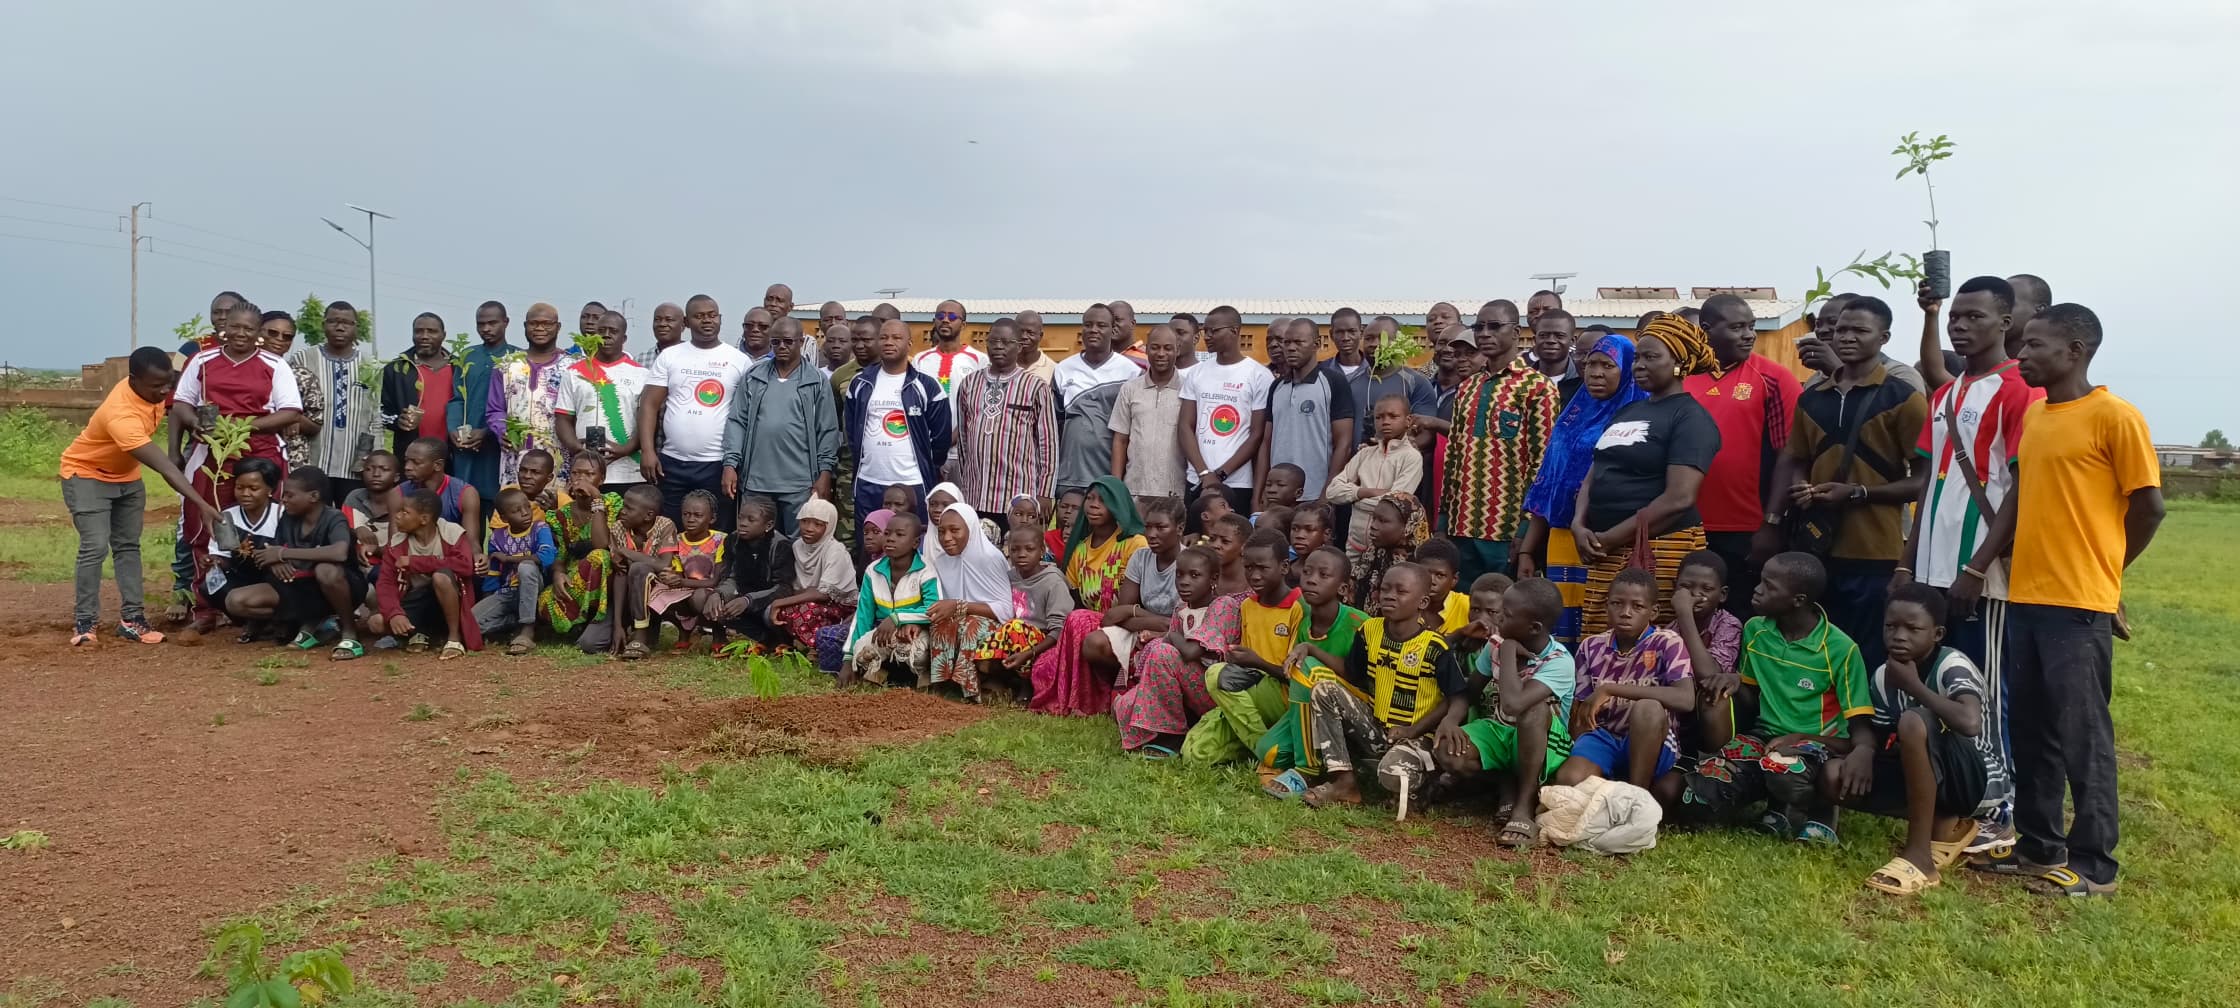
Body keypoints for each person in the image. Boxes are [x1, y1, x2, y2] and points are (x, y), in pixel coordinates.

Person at [1969, 303, 2161, 898]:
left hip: (2078, 604)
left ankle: (2095, 864)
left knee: (2084, 735)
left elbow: (2149, 507)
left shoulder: (2114, 416)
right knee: (2032, 730)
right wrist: (1979, 567)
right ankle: (2037, 845)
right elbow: (2019, 499)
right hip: (2025, 595)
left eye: (2035, 345)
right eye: (2022, 344)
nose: (2022, 354)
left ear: (2075, 351)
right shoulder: (2042, 417)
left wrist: (2108, 573)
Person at [1894, 276, 2038, 849]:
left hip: (1984, 570)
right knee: (1943, 681)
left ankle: (2000, 810)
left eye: (1974, 316)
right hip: (1932, 565)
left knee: (1986, 687)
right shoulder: (1948, 394)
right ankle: (1956, 792)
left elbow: (2022, 487)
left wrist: (1977, 568)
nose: (1960, 324)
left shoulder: (2019, 389)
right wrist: (1907, 561)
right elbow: (1929, 483)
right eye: (1956, 315)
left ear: (2006, 322)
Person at [1767, 296, 1926, 673]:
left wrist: (1859, 493)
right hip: (1816, 547)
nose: (1847, 337)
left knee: (1867, 651)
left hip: (1876, 549)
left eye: (1860, 330)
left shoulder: (1903, 397)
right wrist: (1801, 487)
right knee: (1820, 648)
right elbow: (1797, 458)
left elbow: (1924, 481)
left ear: (1884, 337)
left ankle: (1867, 728)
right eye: (1841, 330)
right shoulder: (1811, 397)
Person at [1677, 552, 1873, 844]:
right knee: (1698, 795)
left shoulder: (1840, 649)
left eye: (1769, 586)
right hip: (1764, 737)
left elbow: (1859, 727)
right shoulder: (1757, 630)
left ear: (1798, 599)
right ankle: (1774, 806)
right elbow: (1751, 696)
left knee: (1784, 770)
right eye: (1760, 581)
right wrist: (1733, 681)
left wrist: (1854, 749)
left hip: (1817, 744)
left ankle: (1819, 812)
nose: (1757, 589)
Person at [1570, 315, 1720, 637]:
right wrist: (1579, 524)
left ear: (1679, 362)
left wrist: (1610, 538)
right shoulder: (1629, 411)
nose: (1639, 365)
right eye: (1637, 357)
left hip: (1657, 549)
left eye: (1651, 357)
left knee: (1648, 645)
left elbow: (1679, 498)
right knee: (1602, 641)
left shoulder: (1690, 417)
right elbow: (1594, 474)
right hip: (1603, 546)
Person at [60, 346, 221, 644]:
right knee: (95, 546)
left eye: (167, 384)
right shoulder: (121, 415)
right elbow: (167, 470)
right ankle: (85, 623)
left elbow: (179, 405)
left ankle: (132, 620)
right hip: (86, 475)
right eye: (156, 386)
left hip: (127, 478)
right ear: (133, 380)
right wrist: (202, 504)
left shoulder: (154, 386)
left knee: (128, 547)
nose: (163, 392)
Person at [1845, 584, 1995, 895]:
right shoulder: (1884, 676)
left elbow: (1969, 723)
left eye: (1912, 629)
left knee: (1914, 720)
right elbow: (1886, 739)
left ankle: (1919, 857)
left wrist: (1915, 688)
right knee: (1836, 776)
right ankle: (1944, 824)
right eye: (1891, 627)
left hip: (1975, 782)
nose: (1899, 636)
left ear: (1937, 634)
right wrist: (1860, 750)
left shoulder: (1952, 665)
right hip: (1929, 773)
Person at [1675, 295, 1805, 618]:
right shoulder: (1679, 377)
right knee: (1682, 614)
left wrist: (1772, 523)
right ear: (1705, 330)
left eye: (1751, 326)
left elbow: (1789, 455)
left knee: (1740, 615)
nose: (1749, 335)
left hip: (1746, 529)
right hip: (1681, 525)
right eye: (1737, 327)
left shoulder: (1774, 378)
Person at [1420, 576, 1574, 845]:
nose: (1498, 618)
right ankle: (1505, 784)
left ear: (1534, 627)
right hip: (1501, 732)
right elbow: (1471, 690)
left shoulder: (1558, 662)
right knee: (1448, 749)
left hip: (1545, 744)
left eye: (1507, 614)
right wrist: (1451, 720)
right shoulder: (1495, 644)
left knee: (1534, 710)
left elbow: (1514, 704)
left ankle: (1523, 807)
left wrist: (1507, 651)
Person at [1517, 332, 1646, 646]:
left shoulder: (1636, 415)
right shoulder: (1573, 414)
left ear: (1627, 369)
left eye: (1607, 365)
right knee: (1561, 620)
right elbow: (1549, 483)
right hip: (1561, 538)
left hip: (1605, 539)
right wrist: (1527, 549)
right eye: (1591, 364)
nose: (1596, 373)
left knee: (1602, 617)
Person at [170, 301, 305, 601]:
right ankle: (205, 604)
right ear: (223, 327)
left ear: (258, 332)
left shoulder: (273, 364)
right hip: (213, 454)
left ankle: (267, 597)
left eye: (248, 328)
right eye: (234, 326)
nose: (240, 333)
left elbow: (291, 411)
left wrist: (244, 428)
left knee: (269, 523)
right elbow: (181, 403)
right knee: (204, 524)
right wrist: (197, 423)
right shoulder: (203, 360)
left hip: (260, 452)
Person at [1300, 563, 1456, 808]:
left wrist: (1412, 730)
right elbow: (1352, 673)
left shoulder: (1436, 647)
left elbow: (1455, 698)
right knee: (1324, 690)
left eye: (1400, 591)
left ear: (1422, 603)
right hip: (1376, 727)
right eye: (1385, 589)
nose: (1390, 596)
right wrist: (1311, 649)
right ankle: (1344, 782)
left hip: (1416, 736)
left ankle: (1425, 784)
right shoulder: (1369, 630)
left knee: (1391, 774)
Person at [1440, 300, 1561, 586]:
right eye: (1479, 326)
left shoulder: (1538, 387)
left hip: (1505, 530)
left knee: (1503, 612)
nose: (1484, 333)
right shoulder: (1468, 387)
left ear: (1516, 333)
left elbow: (1542, 465)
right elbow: (1454, 455)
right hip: (1461, 525)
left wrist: (1525, 530)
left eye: (1494, 326)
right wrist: (1444, 521)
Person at [1553, 569, 1696, 806]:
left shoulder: (1667, 642)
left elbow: (1685, 698)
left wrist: (1611, 689)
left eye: (1637, 606)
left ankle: (1636, 799)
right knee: (1569, 780)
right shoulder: (1592, 647)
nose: (1625, 613)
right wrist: (1577, 749)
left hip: (1652, 740)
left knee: (1648, 708)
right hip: (1604, 736)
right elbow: (1582, 708)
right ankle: (1609, 788)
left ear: (1653, 611)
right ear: (1607, 606)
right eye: (1617, 604)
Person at [1177, 530, 1306, 765]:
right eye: (1248, 567)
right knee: (1194, 754)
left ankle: (1262, 747)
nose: (1254, 575)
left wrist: (1257, 662)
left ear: (1284, 567)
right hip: (1246, 697)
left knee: (1216, 676)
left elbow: (1297, 677)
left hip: (1283, 694)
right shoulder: (1247, 605)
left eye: (1262, 568)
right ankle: (1262, 746)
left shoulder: (1298, 607)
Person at [1029, 476, 1147, 716]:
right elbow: (1075, 599)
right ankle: (1091, 693)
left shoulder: (1134, 543)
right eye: (1090, 498)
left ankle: (1085, 702)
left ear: (1118, 506)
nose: (1093, 505)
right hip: (1089, 624)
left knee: (1081, 621)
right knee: (1044, 665)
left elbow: (1139, 600)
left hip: (1128, 625)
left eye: (1103, 500)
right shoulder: (1081, 548)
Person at [222, 466, 367, 658]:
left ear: (313, 496)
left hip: (342, 586)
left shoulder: (334, 517)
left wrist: (284, 554)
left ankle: (349, 631)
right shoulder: (288, 518)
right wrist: (275, 561)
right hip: (299, 586)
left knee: (327, 570)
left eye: (290, 495)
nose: (283, 500)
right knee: (236, 601)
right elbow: (270, 550)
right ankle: (313, 623)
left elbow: (339, 553)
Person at [640, 295, 753, 533]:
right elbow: (649, 405)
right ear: (686, 322)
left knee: (717, 530)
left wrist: (734, 464)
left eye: (712, 315)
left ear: (720, 319)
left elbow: (747, 416)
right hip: (671, 462)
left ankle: (714, 571)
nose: (707, 321)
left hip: (718, 464)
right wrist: (648, 452)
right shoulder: (670, 356)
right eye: (699, 316)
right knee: (670, 528)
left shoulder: (739, 361)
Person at [722, 317, 840, 536]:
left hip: (800, 483)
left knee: (799, 544)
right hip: (756, 481)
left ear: (801, 342)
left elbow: (828, 430)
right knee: (755, 540)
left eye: (788, 341)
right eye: (776, 342)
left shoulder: (816, 380)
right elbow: (737, 421)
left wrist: (824, 473)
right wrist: (730, 464)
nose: (782, 347)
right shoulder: (753, 376)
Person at [1111, 538, 1225, 755]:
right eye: (1179, 574)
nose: (1184, 582)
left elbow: (1191, 651)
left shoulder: (1222, 606)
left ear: (1214, 579)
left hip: (1211, 692)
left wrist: (1171, 636)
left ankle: (1171, 736)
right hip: (1180, 688)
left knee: (1161, 650)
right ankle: (1178, 719)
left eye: (1194, 576)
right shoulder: (1181, 608)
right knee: (1124, 707)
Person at [846, 318, 953, 548]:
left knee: (912, 545)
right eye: (883, 337)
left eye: (896, 338)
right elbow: (853, 433)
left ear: (909, 344)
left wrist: (929, 465)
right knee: (871, 546)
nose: (889, 342)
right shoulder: (860, 383)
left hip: (911, 482)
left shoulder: (927, 385)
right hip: (869, 481)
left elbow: (941, 436)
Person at [948, 318, 1058, 518]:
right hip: (976, 494)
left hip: (1018, 497)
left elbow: (1048, 444)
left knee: (1016, 548)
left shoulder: (1036, 386)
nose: (998, 347)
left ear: (1019, 346)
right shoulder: (969, 384)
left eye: (1006, 343)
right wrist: (966, 483)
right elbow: (964, 440)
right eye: (993, 341)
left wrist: (1045, 493)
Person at [1179, 305, 1275, 518]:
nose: (1208, 336)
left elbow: (1257, 434)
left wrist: (1220, 475)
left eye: (1214, 331)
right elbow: (1185, 426)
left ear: (1234, 330)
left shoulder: (1259, 375)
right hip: (1197, 481)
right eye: (1206, 331)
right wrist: (1204, 473)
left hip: (1237, 482)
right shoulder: (1196, 373)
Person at [920, 502, 1019, 701]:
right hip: (958, 619)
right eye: (942, 531)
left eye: (955, 530)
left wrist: (961, 606)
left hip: (993, 624)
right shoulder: (941, 561)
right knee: (942, 623)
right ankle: (941, 684)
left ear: (971, 529)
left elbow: (1007, 610)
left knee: (972, 625)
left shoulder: (990, 558)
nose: (947, 538)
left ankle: (969, 689)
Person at [373, 487, 481, 659]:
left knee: (441, 577)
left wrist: (415, 562)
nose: (397, 516)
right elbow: (386, 583)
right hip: (418, 599)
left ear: (424, 519)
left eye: (405, 512)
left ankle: (454, 638)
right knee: (377, 623)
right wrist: (395, 613)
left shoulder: (451, 532)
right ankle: (420, 633)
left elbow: (466, 566)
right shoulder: (397, 542)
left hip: (450, 599)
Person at [293, 299, 381, 502]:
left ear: (356, 328)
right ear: (324, 325)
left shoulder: (369, 364)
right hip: (312, 458)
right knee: (313, 517)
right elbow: (291, 407)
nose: (340, 327)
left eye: (347, 323)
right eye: (333, 321)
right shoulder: (304, 359)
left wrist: (376, 456)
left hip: (354, 462)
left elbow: (376, 414)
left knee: (350, 519)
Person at [1261, 318, 1355, 504]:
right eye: (1287, 343)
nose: (1291, 348)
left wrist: (1326, 496)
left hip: (1315, 494)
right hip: (1277, 496)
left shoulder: (1333, 382)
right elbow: (1266, 442)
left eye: (1298, 342)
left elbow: (1343, 444)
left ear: (1316, 345)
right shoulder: (1277, 386)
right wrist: (1260, 494)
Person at [555, 309, 648, 493]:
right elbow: (563, 418)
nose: (606, 335)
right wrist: (579, 451)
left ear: (624, 338)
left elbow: (646, 421)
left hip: (627, 471)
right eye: (602, 330)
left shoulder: (642, 374)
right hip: (585, 472)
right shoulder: (574, 372)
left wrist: (626, 448)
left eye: (613, 331)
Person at [844, 511, 939, 688]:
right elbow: (863, 616)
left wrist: (898, 617)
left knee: (915, 652)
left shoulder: (925, 571)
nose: (890, 539)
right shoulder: (873, 571)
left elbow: (934, 609)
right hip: (883, 632)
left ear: (915, 542)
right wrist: (848, 660)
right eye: (887, 533)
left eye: (899, 535)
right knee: (862, 651)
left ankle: (919, 675)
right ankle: (883, 672)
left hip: (915, 632)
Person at [1054, 304, 1141, 498]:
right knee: (1068, 528)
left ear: (1112, 329)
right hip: (1070, 477)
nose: (1094, 330)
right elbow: (1055, 425)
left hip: (1109, 476)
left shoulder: (1130, 371)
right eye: (1088, 325)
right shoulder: (1063, 369)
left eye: (1101, 325)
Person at [1325, 395, 1423, 564]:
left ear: (1408, 421)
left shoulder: (1411, 457)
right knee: (1350, 586)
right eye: (1379, 417)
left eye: (1393, 416)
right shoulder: (1365, 454)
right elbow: (1332, 492)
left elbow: (1395, 505)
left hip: (1387, 547)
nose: (1385, 421)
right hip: (1354, 544)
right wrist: (1363, 491)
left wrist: (1355, 500)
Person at [768, 498, 859, 668]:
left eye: (817, 524)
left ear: (829, 526)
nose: (809, 529)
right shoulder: (797, 546)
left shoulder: (835, 550)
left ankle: (819, 646)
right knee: (783, 611)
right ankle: (796, 643)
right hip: (806, 598)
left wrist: (778, 602)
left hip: (841, 606)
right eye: (804, 522)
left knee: (806, 609)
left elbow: (823, 593)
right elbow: (795, 585)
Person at [204, 458, 288, 643]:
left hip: (276, 580)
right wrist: (214, 560)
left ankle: (289, 619)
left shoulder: (282, 514)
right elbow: (221, 554)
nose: (245, 494)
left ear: (270, 490)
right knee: (210, 586)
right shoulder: (227, 516)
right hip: (244, 578)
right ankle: (259, 620)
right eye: (239, 488)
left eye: (253, 488)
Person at [1669, 550, 1745, 754]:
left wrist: (1684, 615)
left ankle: (1718, 765)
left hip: (1713, 715)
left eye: (1707, 589)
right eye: (1686, 587)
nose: (1695, 595)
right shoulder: (1668, 632)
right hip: (1681, 717)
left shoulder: (1728, 624)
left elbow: (1708, 675)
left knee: (1713, 695)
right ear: (1674, 589)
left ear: (1722, 595)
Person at [1108, 322, 1188, 512]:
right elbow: (1120, 440)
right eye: (1155, 347)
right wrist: (1116, 487)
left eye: (1168, 348)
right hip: (1134, 490)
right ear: (1146, 349)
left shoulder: (1188, 390)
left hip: (1175, 491)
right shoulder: (1130, 389)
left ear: (1177, 350)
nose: (1161, 354)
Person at [449, 301, 519, 516]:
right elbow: (457, 398)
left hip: (500, 446)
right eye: (481, 324)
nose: (486, 329)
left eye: (492, 323)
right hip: (468, 445)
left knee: (502, 510)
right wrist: (454, 429)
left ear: (505, 323)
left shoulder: (517, 358)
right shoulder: (466, 357)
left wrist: (489, 431)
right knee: (467, 505)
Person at [541, 453, 617, 647]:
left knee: (598, 556)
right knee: (545, 602)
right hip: (578, 576)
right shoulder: (560, 515)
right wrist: (558, 574)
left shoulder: (613, 503)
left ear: (602, 479)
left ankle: (596, 617)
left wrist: (597, 500)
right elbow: (560, 554)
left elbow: (602, 544)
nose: (581, 480)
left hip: (608, 579)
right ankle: (579, 622)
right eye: (575, 473)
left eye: (589, 474)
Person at [640, 490, 728, 651]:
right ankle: (684, 630)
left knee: (700, 596)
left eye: (697, 515)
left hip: (711, 591)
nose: (691, 519)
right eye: (686, 514)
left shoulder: (721, 540)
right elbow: (678, 575)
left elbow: (716, 580)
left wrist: (681, 581)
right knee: (653, 594)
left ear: (712, 518)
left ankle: (718, 632)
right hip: (686, 589)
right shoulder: (677, 540)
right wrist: (671, 578)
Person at [996, 524, 1075, 702]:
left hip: (1044, 641)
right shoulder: (1009, 578)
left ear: (1041, 551)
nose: (1021, 554)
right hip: (1012, 636)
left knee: (1016, 627)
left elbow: (1058, 630)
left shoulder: (1053, 582)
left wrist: (1029, 653)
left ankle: (1027, 685)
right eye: (1015, 549)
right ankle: (998, 679)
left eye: (1029, 549)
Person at [475, 487, 556, 655]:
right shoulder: (497, 538)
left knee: (526, 567)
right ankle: (516, 623)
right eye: (516, 511)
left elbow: (546, 557)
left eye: (527, 507)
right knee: (471, 622)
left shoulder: (540, 529)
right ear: (504, 517)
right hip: (508, 592)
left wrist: (509, 558)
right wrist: (488, 602)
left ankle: (527, 629)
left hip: (535, 588)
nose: (525, 513)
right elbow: (493, 575)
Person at [601, 484, 678, 661]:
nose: (622, 511)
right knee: (591, 643)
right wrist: (617, 625)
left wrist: (627, 553)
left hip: (658, 596)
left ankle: (641, 634)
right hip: (625, 597)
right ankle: (625, 627)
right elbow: (620, 574)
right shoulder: (618, 528)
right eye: (623, 505)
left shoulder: (665, 525)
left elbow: (663, 565)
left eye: (629, 508)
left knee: (638, 568)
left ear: (649, 515)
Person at [712, 494, 794, 649]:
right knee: (720, 607)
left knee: (772, 611)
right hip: (745, 596)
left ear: (768, 525)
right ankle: (765, 639)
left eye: (751, 520)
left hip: (771, 600)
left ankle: (784, 640)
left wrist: (749, 600)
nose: (742, 524)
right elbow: (730, 576)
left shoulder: (781, 545)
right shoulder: (732, 540)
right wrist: (719, 594)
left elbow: (784, 588)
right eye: (740, 518)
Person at [1348, 316, 1440, 444]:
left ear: (1397, 342)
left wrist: (1394, 454)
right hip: (1358, 461)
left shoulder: (1416, 382)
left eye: (1382, 338)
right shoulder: (1350, 382)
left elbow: (1426, 433)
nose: (1374, 344)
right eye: (1369, 339)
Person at [380, 313, 458, 457]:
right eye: (418, 331)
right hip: (411, 455)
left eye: (432, 331)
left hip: (453, 454)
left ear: (443, 335)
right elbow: (382, 411)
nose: (424, 336)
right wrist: (398, 421)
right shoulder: (396, 369)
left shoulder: (459, 368)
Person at [260, 311, 325, 473]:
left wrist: (294, 417)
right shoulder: (241, 371)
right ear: (258, 332)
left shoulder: (303, 376)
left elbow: (316, 424)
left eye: (287, 336)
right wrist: (282, 418)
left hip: (292, 458)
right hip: (248, 452)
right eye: (273, 333)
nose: (279, 339)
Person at [1350, 493, 1428, 617]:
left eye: (1383, 521)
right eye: (1374, 518)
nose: (1373, 526)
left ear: (1408, 526)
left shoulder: (1422, 565)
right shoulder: (1372, 555)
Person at [398, 437, 484, 547]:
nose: (407, 467)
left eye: (416, 462)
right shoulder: (398, 493)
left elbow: (471, 543)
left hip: (451, 555)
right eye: (406, 461)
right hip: (410, 554)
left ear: (437, 465)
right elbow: (395, 543)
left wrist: (477, 557)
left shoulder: (466, 494)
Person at [912, 299, 987, 417]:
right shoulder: (920, 360)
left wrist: (959, 433)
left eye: (952, 317)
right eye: (940, 316)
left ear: (963, 325)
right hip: (927, 433)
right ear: (934, 321)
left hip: (963, 433)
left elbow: (981, 403)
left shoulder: (979, 360)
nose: (945, 320)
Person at [1413, 536, 1471, 633]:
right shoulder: (1406, 603)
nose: (1431, 581)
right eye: (1425, 573)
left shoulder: (1467, 607)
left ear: (1454, 579)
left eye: (1440, 575)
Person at [1014, 309, 1058, 385]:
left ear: (1040, 336)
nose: (1024, 336)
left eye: (1030, 333)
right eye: (1020, 331)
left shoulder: (1053, 370)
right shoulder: (1001, 366)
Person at [1327, 308, 1369, 382]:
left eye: (1351, 331)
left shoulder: (1375, 369)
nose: (1346, 338)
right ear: (1331, 335)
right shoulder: (1322, 371)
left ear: (1361, 333)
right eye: (1339, 332)